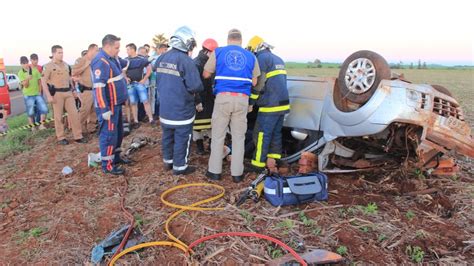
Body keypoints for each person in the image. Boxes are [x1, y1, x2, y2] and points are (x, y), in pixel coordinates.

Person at [204, 29, 260, 183]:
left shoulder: (218, 52)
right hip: (242, 99)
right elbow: (255, 82)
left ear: (228, 39)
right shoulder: (251, 56)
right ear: (241, 40)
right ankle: (237, 174)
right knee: (239, 137)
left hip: (223, 98)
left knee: (218, 136)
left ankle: (214, 172)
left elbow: (206, 74)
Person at [154, 26, 203, 175]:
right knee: (182, 138)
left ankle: (168, 161)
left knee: (167, 136)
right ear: (186, 42)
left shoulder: (162, 57)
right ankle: (180, 167)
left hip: (165, 110)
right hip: (182, 110)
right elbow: (195, 86)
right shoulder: (186, 61)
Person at [246, 36, 290, 172]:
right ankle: (273, 162)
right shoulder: (278, 59)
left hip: (270, 104)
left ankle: (257, 165)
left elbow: (258, 84)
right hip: (283, 104)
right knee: (275, 134)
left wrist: (251, 102)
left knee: (261, 135)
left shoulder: (261, 59)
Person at [91, 34, 130, 175]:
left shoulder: (111, 58)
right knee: (109, 135)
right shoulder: (100, 61)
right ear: (107, 46)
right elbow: (99, 87)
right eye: (116, 48)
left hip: (117, 103)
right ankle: (107, 165)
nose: (118, 50)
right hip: (109, 106)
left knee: (118, 133)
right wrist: (104, 109)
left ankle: (116, 157)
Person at [41, 45, 86, 145]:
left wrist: (74, 90)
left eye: (62, 52)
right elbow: (43, 82)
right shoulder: (48, 66)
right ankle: (61, 137)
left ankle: (78, 136)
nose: (61, 55)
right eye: (59, 53)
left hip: (68, 92)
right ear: (53, 54)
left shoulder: (66, 65)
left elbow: (70, 79)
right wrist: (48, 95)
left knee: (74, 114)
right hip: (57, 94)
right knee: (58, 117)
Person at [193, 38, 218, 155]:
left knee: (210, 124)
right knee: (198, 125)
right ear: (207, 51)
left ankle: (209, 147)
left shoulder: (208, 62)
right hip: (200, 98)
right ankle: (199, 147)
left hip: (209, 98)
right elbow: (192, 84)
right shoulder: (196, 64)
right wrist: (197, 101)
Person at [125, 43, 155, 126]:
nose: (127, 51)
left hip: (139, 83)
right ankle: (136, 121)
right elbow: (122, 71)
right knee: (133, 102)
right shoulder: (126, 60)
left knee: (145, 101)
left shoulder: (141, 59)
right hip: (130, 85)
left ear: (132, 49)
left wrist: (144, 79)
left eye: (128, 49)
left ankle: (151, 119)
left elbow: (149, 70)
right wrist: (125, 78)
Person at [72, 44, 99, 135]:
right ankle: (79, 130)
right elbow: (74, 72)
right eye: (96, 50)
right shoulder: (81, 60)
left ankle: (91, 127)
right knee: (85, 110)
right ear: (91, 50)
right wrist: (85, 66)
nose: (97, 52)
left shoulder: (95, 60)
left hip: (95, 89)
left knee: (94, 110)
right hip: (86, 90)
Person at [18, 56, 48, 130]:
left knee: (44, 109)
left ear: (28, 62)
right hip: (28, 95)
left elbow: (39, 82)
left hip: (37, 94)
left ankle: (41, 125)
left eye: (26, 63)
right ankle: (33, 127)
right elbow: (26, 85)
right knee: (30, 112)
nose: (25, 65)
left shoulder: (34, 70)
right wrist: (27, 78)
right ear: (21, 64)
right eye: (23, 63)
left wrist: (39, 92)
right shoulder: (20, 73)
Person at [151, 42, 169, 119]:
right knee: (156, 98)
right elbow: (153, 68)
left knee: (163, 97)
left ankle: (163, 113)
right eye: (165, 49)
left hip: (165, 81)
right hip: (156, 80)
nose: (166, 51)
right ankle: (157, 114)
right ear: (160, 49)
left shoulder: (168, 58)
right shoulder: (154, 58)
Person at [30, 53, 43, 124]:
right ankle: (32, 124)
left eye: (36, 60)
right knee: (32, 109)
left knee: (40, 108)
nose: (35, 61)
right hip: (30, 92)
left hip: (39, 92)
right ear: (31, 60)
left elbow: (41, 80)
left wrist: (40, 91)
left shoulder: (40, 68)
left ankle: (38, 122)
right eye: (34, 60)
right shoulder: (27, 68)